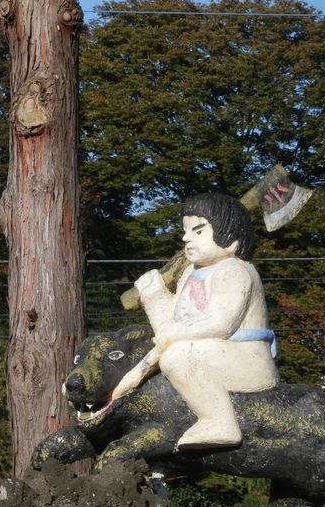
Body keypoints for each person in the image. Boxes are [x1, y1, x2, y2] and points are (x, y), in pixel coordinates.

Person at [112, 192, 279, 449]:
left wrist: (173, 337)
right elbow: (172, 325)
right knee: (171, 353)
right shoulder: (191, 271)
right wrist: (154, 296)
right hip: (210, 354)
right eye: (186, 230)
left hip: (245, 359)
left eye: (198, 231)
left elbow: (220, 324)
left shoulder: (235, 270)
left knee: (178, 355)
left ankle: (219, 422)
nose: (185, 238)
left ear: (231, 240)